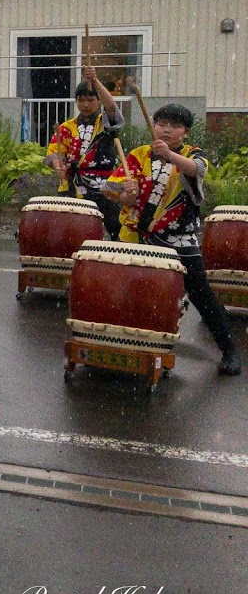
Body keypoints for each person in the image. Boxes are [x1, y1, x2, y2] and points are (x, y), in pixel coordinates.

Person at [103, 103, 241, 376]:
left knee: (202, 295)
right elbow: (110, 187)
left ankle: (229, 350)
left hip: (179, 238)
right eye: (162, 123)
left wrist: (169, 156)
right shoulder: (138, 155)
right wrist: (123, 195)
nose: (166, 129)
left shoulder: (193, 155)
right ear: (153, 125)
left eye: (174, 125)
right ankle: (132, 347)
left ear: (186, 132)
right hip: (138, 238)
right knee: (132, 292)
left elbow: (196, 170)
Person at [43, 64, 124, 238]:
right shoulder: (66, 127)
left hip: (103, 184)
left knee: (117, 227)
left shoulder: (105, 123)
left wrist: (95, 80)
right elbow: (54, 153)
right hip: (73, 183)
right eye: (81, 100)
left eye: (90, 100)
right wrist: (58, 167)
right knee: (70, 230)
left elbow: (112, 107)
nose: (85, 104)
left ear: (98, 101)